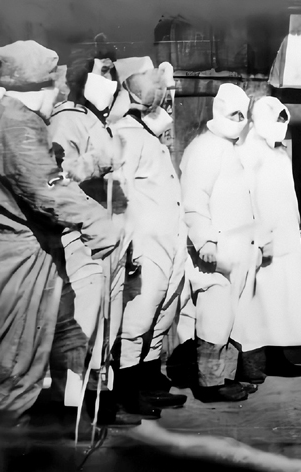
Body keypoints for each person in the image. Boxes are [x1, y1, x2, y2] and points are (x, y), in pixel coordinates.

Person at [0, 40, 119, 426]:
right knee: (15, 369)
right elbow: (45, 189)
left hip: (35, 252)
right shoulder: (16, 125)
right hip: (20, 260)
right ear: (40, 88)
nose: (61, 94)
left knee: (61, 340)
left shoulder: (13, 119)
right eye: (56, 86)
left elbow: (41, 179)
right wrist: (97, 223)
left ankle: (55, 428)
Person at [47, 46, 141, 424]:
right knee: (84, 325)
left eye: (113, 73)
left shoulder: (97, 120)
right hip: (82, 238)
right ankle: (72, 411)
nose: (111, 81)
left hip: (109, 237)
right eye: (103, 72)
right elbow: (56, 184)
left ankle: (99, 401)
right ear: (82, 76)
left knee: (108, 323)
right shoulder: (67, 120)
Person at [109, 58, 188, 414]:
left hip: (169, 241)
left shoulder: (147, 135)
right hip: (144, 243)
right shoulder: (125, 134)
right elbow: (120, 194)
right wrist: (128, 248)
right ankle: (127, 389)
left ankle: (150, 378)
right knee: (138, 316)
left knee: (164, 310)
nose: (164, 100)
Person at [230, 96, 301, 380]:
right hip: (265, 241)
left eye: (284, 122)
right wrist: (263, 239)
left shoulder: (279, 154)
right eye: (276, 121)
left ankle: (278, 355)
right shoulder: (250, 152)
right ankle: (255, 361)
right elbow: (251, 199)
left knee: (282, 301)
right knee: (262, 302)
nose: (281, 128)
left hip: (287, 238)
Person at [181, 83, 255, 402]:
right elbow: (194, 200)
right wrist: (205, 241)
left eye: (243, 114)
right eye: (233, 113)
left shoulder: (234, 150)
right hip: (215, 251)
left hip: (238, 251)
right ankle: (210, 384)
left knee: (232, 318)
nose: (239, 120)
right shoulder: (204, 148)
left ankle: (226, 377)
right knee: (214, 316)